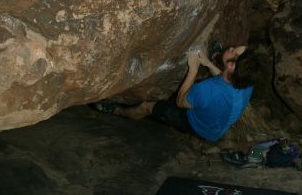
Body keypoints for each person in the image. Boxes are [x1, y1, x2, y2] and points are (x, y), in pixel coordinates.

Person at [95, 46, 259, 142]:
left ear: (231, 67)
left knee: (147, 106)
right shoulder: (246, 82)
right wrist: (208, 63)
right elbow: (224, 79)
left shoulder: (207, 89)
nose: (230, 48)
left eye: (233, 52)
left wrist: (193, 69)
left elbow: (180, 102)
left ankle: (116, 110)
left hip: (197, 127)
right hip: (217, 128)